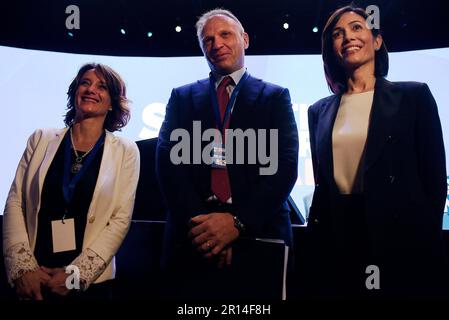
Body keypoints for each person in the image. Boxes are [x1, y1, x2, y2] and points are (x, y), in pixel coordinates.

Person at [305, 5, 447, 298]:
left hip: (399, 240)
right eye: (337, 34)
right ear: (331, 48)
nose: (348, 37)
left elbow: (435, 182)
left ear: (377, 40)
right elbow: (323, 184)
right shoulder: (318, 110)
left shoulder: (413, 96)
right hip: (338, 238)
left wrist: (422, 243)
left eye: (357, 28)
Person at [156, 8, 298, 298]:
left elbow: (285, 166)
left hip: (258, 237)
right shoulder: (181, 96)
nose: (216, 44)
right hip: (192, 240)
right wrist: (205, 230)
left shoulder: (275, 96)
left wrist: (237, 223)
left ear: (244, 39)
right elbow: (168, 163)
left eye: (224, 35)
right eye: (207, 40)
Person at [2, 63, 140, 300]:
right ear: (74, 91)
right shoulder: (40, 138)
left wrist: (75, 276)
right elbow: (15, 201)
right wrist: (23, 269)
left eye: (102, 86)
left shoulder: (126, 151)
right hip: (34, 278)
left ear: (112, 103)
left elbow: (120, 219)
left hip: (90, 285)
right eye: (85, 83)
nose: (90, 90)